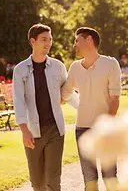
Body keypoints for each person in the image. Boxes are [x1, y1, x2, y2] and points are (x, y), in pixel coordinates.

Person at [13, 23, 77, 191]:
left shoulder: (58, 66)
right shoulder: (20, 70)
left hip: (55, 130)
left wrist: (88, 109)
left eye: (50, 39)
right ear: (32, 41)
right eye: (43, 39)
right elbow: (18, 100)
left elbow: (68, 92)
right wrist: (24, 129)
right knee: (37, 181)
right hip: (33, 132)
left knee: (53, 180)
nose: (48, 43)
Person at [61, 27, 121, 191]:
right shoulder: (74, 67)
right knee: (90, 180)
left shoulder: (110, 63)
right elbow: (64, 94)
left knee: (110, 177)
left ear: (89, 40)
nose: (74, 45)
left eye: (77, 40)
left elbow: (115, 98)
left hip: (105, 129)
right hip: (83, 129)